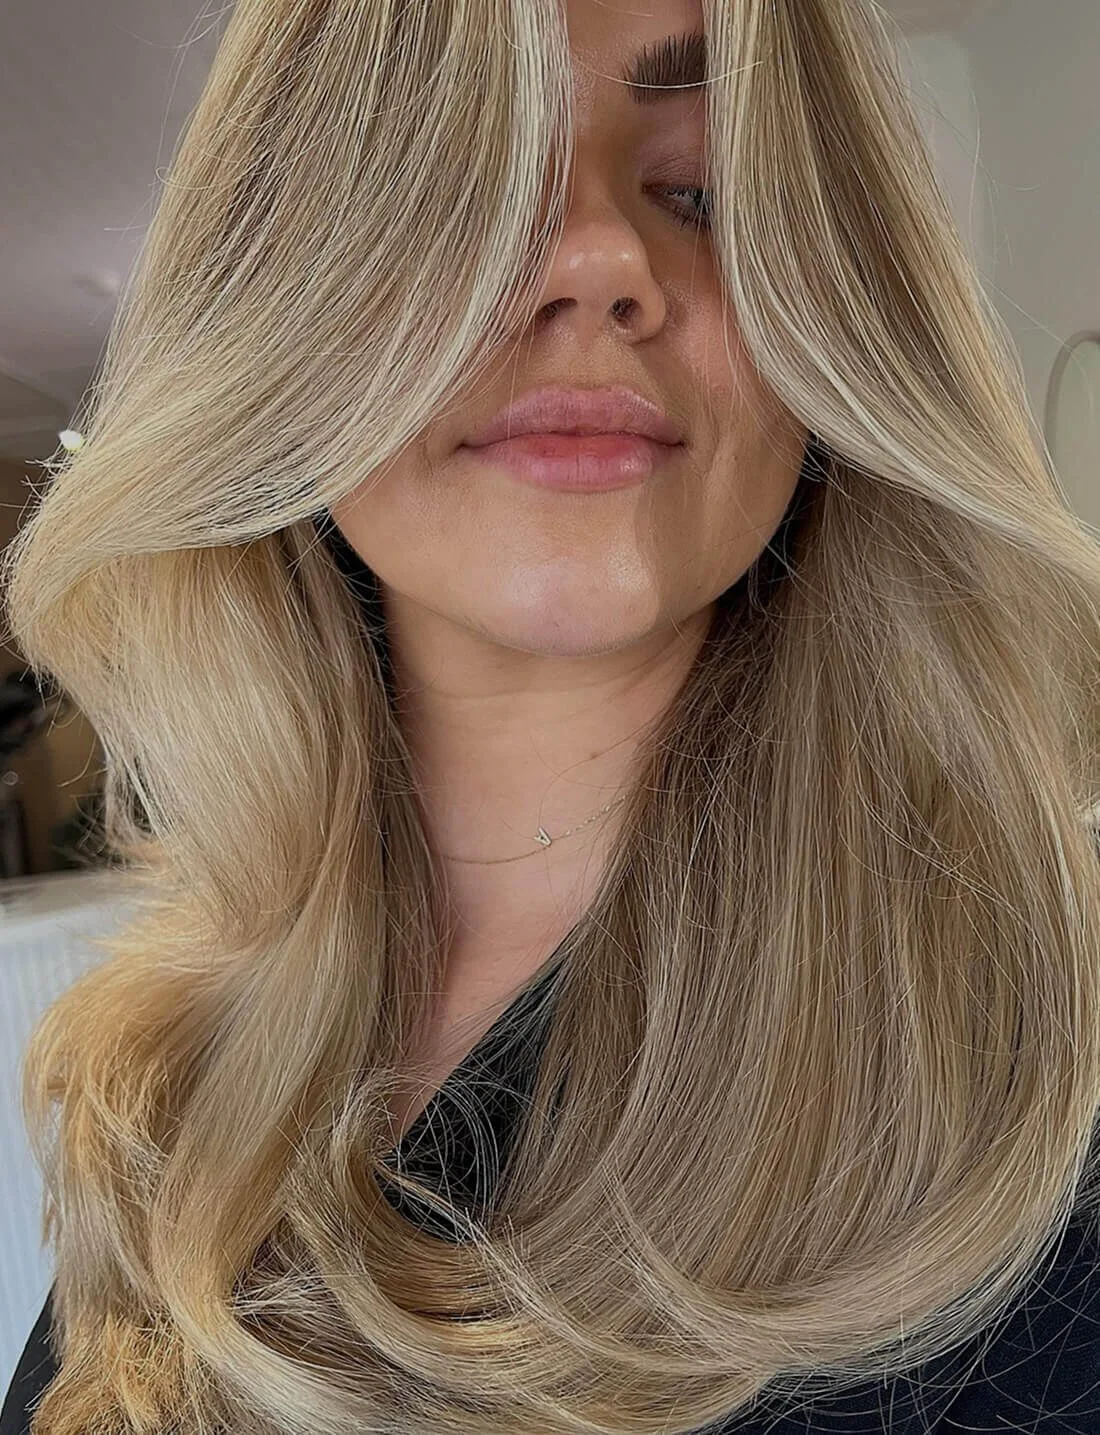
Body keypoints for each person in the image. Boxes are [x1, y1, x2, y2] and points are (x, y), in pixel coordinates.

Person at [3, 0, 1100, 1432]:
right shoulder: (169, 1058)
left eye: (703, 191)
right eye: (455, 186)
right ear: (280, 316)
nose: (597, 257)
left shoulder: (1048, 1050)